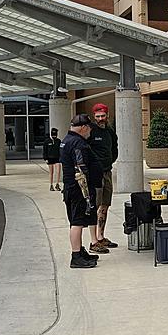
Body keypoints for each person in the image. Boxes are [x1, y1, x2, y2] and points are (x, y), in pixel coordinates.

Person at [60, 114, 100, 269]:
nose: (90, 130)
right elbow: (81, 167)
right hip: (79, 189)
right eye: (89, 127)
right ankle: (76, 256)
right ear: (83, 128)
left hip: (71, 188)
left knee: (77, 220)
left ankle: (80, 251)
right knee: (77, 222)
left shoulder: (66, 141)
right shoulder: (78, 143)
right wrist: (87, 191)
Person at [87, 103, 119, 254]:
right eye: (98, 116)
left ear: (107, 115)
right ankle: (94, 240)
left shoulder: (110, 131)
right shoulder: (91, 131)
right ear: (94, 116)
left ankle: (101, 236)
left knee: (105, 205)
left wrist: (110, 161)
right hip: (95, 174)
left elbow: (114, 148)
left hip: (107, 171)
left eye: (103, 116)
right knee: (95, 205)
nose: (100, 119)